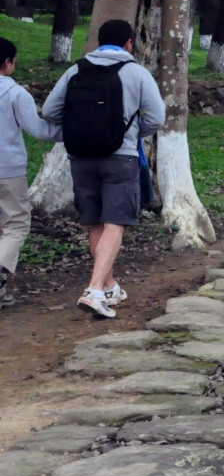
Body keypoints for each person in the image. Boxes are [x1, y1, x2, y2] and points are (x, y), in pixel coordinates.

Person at [42, 20, 164, 319]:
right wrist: (131, 133)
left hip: (81, 157)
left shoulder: (76, 70)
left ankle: (109, 286)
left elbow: (49, 112)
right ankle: (94, 290)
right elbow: (157, 118)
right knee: (115, 222)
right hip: (119, 158)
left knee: (96, 222)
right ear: (129, 43)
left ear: (100, 41)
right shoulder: (136, 73)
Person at [0, 37, 62, 309]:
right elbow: (38, 130)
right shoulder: (15, 93)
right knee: (15, 223)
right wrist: (68, 130)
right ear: (8, 62)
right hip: (7, 170)